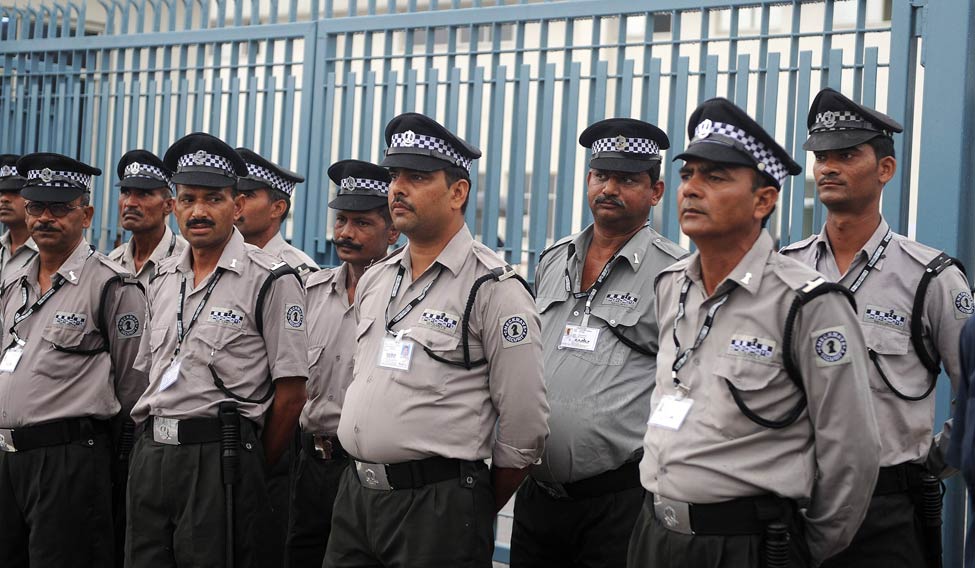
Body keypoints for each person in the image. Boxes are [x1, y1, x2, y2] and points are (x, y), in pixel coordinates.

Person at [627, 98, 881, 568]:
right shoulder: (670, 287)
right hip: (654, 535)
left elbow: (852, 452)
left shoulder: (806, 303)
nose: (692, 190)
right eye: (688, 175)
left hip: (744, 544)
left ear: (763, 200)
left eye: (716, 177)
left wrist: (807, 550)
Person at [324, 113, 550, 568]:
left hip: (436, 508)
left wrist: (468, 501)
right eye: (394, 175)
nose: (397, 188)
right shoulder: (377, 279)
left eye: (418, 176)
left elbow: (526, 426)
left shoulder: (493, 289)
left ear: (457, 192)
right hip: (356, 498)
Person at [781, 88, 972, 567]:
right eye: (821, 156)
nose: (827, 167)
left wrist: (930, 461)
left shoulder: (931, 277)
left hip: (885, 510)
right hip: (789, 503)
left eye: (846, 154)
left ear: (884, 169)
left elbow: (973, 385)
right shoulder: (783, 271)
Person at [125, 133, 310, 567]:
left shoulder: (270, 279)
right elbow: (149, 372)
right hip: (153, 453)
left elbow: (292, 394)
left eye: (214, 198)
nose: (199, 211)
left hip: (219, 456)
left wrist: (250, 464)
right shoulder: (162, 277)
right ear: (174, 207)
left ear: (237, 206)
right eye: (187, 198)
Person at [510, 118, 686, 567]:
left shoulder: (675, 275)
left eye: (628, 179)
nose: (609, 188)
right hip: (538, 496)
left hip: (618, 502)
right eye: (600, 175)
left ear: (656, 191)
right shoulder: (554, 259)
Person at [0, 152, 147, 566]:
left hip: (68, 460)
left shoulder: (111, 286)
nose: (45, 217)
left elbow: (133, 384)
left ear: (86, 214)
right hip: (9, 458)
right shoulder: (14, 284)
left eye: (60, 207)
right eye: (36, 207)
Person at [285, 159, 399, 568]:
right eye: (341, 220)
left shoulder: (403, 298)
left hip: (368, 471)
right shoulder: (310, 291)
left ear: (392, 229)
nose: (346, 233)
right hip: (310, 464)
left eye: (362, 223)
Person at [108, 149, 187, 286]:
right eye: (125, 192)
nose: (130, 203)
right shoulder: (113, 261)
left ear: (168, 205)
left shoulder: (186, 260)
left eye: (143, 194)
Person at [235, 147, 317, 277]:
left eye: (248, 196)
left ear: (277, 208)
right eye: (234, 194)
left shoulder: (296, 272)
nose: (236, 204)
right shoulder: (214, 258)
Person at [0, 154, 38, 282]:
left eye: (15, 192)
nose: (4, 199)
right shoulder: (2, 247)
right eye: (1, 193)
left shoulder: (48, 251)